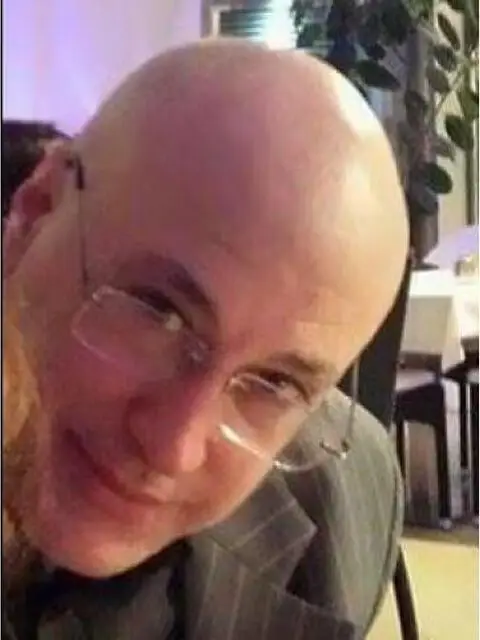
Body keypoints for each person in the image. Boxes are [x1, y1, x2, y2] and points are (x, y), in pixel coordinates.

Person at [3, 38, 409, 640]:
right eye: (157, 310)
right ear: (35, 214)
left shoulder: (342, 504)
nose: (175, 447)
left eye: (275, 383)